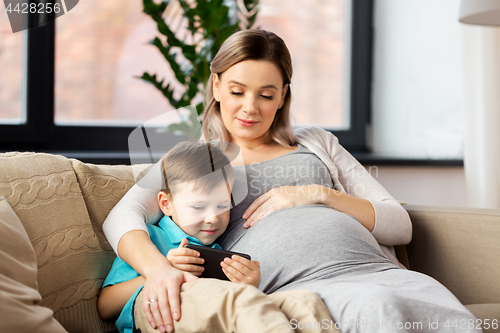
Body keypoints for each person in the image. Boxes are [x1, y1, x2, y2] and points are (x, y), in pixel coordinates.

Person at [103, 29, 480, 333]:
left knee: (446, 316)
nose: (250, 107)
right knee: (378, 311)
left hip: (378, 271)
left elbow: (400, 226)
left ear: (283, 96)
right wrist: (159, 270)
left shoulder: (316, 141)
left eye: (266, 95)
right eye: (236, 91)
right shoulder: (195, 157)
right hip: (303, 290)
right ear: (216, 86)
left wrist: (317, 195)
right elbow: (122, 216)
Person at [98, 141, 334, 333]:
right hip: (160, 310)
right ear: (166, 204)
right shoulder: (150, 239)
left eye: (222, 205)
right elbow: (105, 306)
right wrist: (159, 272)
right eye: (199, 207)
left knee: (304, 302)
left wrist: (250, 286)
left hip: (214, 312)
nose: (212, 218)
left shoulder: (219, 251)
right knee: (240, 303)